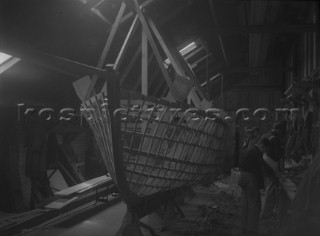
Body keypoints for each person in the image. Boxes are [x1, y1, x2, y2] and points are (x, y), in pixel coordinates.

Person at [238, 137, 271, 235]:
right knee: (254, 205)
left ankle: (244, 227)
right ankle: (252, 230)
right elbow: (263, 166)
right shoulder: (256, 151)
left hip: (242, 176)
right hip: (250, 179)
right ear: (262, 145)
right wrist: (274, 174)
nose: (265, 152)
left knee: (245, 204)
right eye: (265, 149)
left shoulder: (247, 149)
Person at [261, 122, 286, 219]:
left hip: (265, 163)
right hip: (271, 165)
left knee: (269, 188)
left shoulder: (267, 135)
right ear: (278, 130)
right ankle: (266, 213)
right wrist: (282, 172)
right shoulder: (275, 139)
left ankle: (269, 211)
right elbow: (279, 157)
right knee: (271, 190)